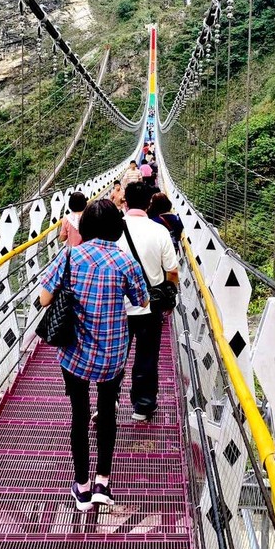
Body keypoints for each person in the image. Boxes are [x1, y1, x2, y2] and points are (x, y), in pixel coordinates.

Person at [40, 199, 149, 512]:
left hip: (74, 352)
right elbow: (141, 302)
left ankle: (82, 488)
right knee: (107, 414)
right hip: (113, 353)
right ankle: (103, 481)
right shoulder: (126, 262)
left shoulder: (71, 255)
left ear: (84, 226)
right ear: (117, 227)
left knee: (78, 415)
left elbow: (44, 298)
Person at [118, 182, 179, 421]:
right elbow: (172, 272)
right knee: (147, 356)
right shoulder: (159, 231)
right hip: (150, 304)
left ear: (125, 202)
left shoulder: (112, 230)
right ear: (149, 203)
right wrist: (169, 297)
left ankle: (108, 402)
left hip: (116, 305)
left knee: (115, 356)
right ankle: (142, 407)